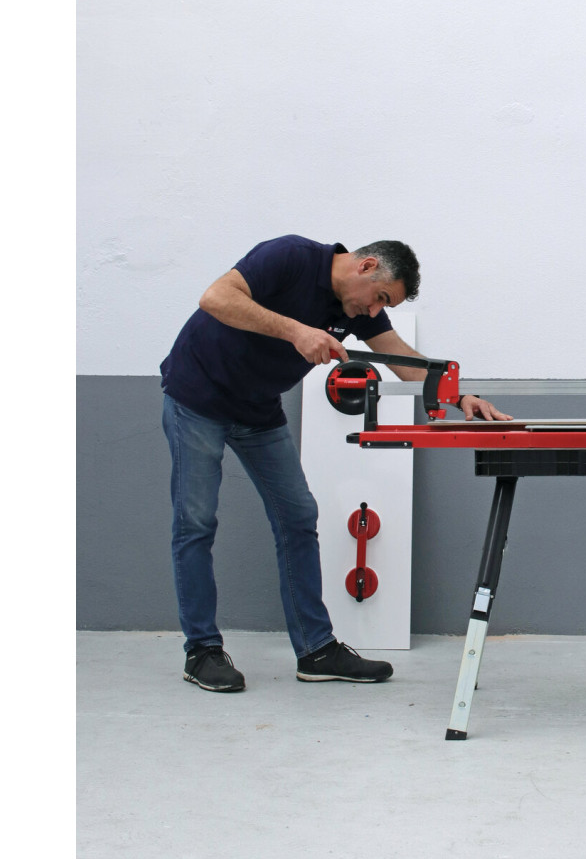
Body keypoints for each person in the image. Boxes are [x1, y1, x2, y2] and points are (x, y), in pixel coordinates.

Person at [160, 234, 512, 693]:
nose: (374, 310)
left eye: (384, 305)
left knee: (298, 517)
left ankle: (316, 650)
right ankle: (202, 651)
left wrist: (458, 396)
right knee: (196, 522)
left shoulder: (359, 309)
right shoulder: (289, 256)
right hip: (198, 399)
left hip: (257, 410)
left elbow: (400, 356)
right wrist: (297, 331)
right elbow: (215, 298)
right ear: (366, 266)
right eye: (380, 297)